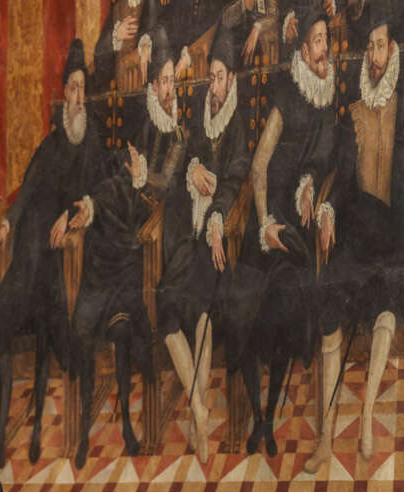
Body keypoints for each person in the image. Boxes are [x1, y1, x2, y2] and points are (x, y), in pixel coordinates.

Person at [0, 39, 108, 473]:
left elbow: (101, 191)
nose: (76, 97)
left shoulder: (92, 141)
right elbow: (30, 184)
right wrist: (6, 221)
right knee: (26, 263)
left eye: (81, 89)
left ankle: (39, 431)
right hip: (35, 249)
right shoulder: (53, 141)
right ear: (64, 95)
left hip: (70, 257)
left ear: (86, 96)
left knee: (52, 297)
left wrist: (72, 214)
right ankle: (1, 440)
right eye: (70, 89)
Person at [233, 8, 348, 464]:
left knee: (287, 305)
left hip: (295, 231)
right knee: (244, 311)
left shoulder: (328, 98)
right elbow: (259, 165)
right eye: (318, 42)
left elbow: (323, 164)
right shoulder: (287, 95)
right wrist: (264, 225)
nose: (325, 50)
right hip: (268, 226)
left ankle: (267, 421)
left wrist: (311, 194)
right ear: (304, 50)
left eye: (326, 41)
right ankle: (259, 414)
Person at [311, 9, 404, 469]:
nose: (375, 56)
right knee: (329, 300)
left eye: (382, 46)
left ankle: (366, 416)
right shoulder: (351, 112)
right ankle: (325, 431)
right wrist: (327, 208)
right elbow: (338, 177)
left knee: (386, 304)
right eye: (370, 47)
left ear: (393, 51)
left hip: (393, 233)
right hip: (356, 230)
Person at [70, 26, 186, 468]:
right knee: (109, 200)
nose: (171, 89)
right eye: (164, 82)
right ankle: (84, 431)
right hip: (121, 226)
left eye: (174, 81)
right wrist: (95, 203)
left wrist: (142, 180)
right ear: (153, 87)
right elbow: (123, 173)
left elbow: (167, 186)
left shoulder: (178, 134)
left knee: (125, 315)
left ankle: (129, 425)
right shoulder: (140, 122)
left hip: (152, 235)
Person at [156, 27, 249, 462]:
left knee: (204, 307)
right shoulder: (198, 111)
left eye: (219, 77)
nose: (213, 85)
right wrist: (193, 169)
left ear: (232, 79)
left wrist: (216, 216)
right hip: (187, 232)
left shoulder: (239, 122)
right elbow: (183, 162)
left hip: (219, 236)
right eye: (209, 77)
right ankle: (199, 406)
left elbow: (234, 181)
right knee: (167, 307)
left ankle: (198, 412)